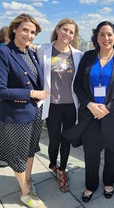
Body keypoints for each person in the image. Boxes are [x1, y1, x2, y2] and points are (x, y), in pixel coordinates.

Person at [0, 13, 48, 208]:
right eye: (25, 30)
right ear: (14, 29)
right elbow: (0, 90)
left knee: (30, 151)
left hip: (34, 112)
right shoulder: (2, 52)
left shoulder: (29, 52)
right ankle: (25, 193)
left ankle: (27, 181)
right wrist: (32, 93)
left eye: (33, 32)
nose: (29, 35)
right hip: (17, 114)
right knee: (19, 154)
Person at [74, 21, 114, 202]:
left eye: (109, 34)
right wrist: (89, 105)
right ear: (96, 37)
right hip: (90, 114)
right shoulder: (88, 56)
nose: (106, 38)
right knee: (91, 152)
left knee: (111, 151)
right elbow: (78, 85)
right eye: (102, 34)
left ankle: (109, 182)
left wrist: (108, 108)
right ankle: (91, 185)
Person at [36, 18, 83, 192]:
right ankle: (53, 164)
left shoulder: (78, 55)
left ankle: (63, 170)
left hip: (70, 105)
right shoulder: (43, 50)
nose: (67, 34)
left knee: (66, 140)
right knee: (54, 139)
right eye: (65, 30)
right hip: (52, 105)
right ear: (57, 29)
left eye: (71, 32)